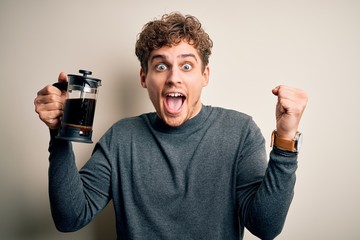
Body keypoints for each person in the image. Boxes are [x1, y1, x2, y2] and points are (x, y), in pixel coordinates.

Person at [34, 12, 308, 240]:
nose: (174, 78)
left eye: (187, 66)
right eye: (161, 66)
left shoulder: (240, 131)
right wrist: (59, 134)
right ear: (144, 77)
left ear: (205, 76)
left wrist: (285, 140)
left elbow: (266, 227)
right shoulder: (121, 138)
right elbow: (70, 218)